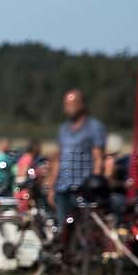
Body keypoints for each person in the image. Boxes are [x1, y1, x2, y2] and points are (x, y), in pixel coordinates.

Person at [44, 90, 106, 228]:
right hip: (63, 187)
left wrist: (95, 182)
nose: (67, 108)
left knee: (83, 229)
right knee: (63, 229)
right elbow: (58, 158)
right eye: (66, 104)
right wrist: (51, 187)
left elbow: (98, 158)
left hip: (83, 188)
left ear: (81, 105)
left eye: (71, 104)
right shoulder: (63, 129)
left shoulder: (94, 127)